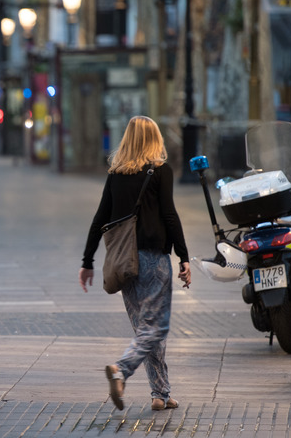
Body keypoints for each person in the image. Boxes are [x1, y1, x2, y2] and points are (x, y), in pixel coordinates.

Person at [79, 116, 191, 411]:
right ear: (154, 139)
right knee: (153, 328)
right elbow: (170, 215)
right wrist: (184, 257)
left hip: (123, 261)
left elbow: (99, 219)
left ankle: (160, 393)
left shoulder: (115, 174)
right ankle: (121, 370)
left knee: (146, 328)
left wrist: (87, 260)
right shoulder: (161, 172)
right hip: (153, 259)